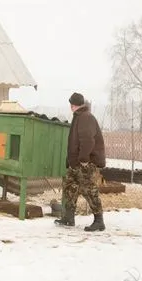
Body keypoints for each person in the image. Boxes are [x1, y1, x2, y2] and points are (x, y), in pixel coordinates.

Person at [54, 92, 106, 231]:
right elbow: (74, 142)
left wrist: (83, 159)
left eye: (71, 104)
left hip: (86, 162)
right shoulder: (79, 116)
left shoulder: (85, 117)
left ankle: (99, 220)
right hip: (75, 163)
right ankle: (68, 218)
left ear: (73, 105)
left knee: (89, 189)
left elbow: (88, 140)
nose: (70, 106)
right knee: (69, 186)